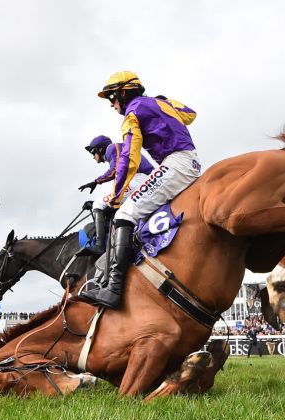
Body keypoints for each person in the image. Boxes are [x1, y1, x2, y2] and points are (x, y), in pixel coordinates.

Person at [81, 70, 200, 309]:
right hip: (192, 162)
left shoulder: (131, 114)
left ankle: (113, 289)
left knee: (124, 214)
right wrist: (164, 102)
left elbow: (129, 158)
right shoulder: (158, 103)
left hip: (175, 164)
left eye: (112, 98)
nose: (112, 105)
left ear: (124, 93)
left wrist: (115, 196)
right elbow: (190, 114)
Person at [77, 135, 154, 256]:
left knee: (99, 204)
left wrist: (96, 181)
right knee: (107, 206)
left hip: (139, 179)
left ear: (100, 149)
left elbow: (114, 170)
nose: (93, 157)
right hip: (142, 180)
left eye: (93, 152)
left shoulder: (111, 148)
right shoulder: (116, 150)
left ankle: (99, 245)